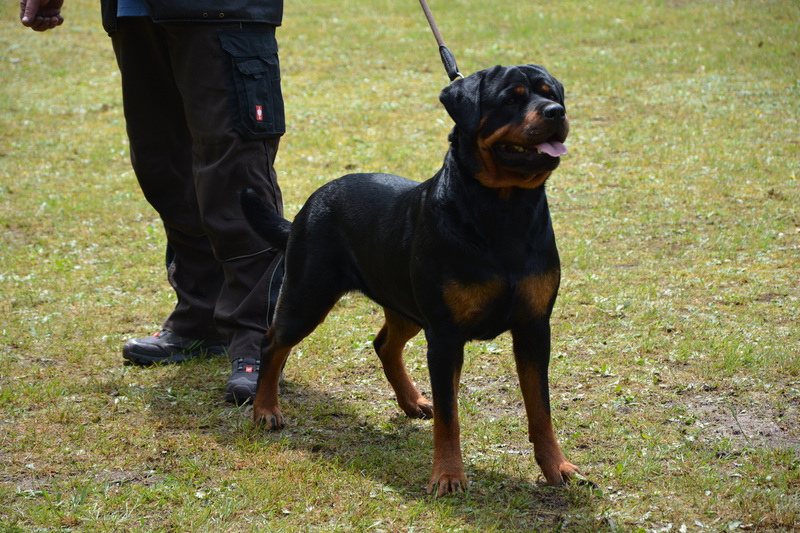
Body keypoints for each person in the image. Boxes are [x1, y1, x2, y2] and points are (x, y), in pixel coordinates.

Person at [20, 0, 286, 405]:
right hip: (135, 12)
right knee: (164, 166)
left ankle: (256, 340)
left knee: (235, 170)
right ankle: (200, 319)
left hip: (221, 10)